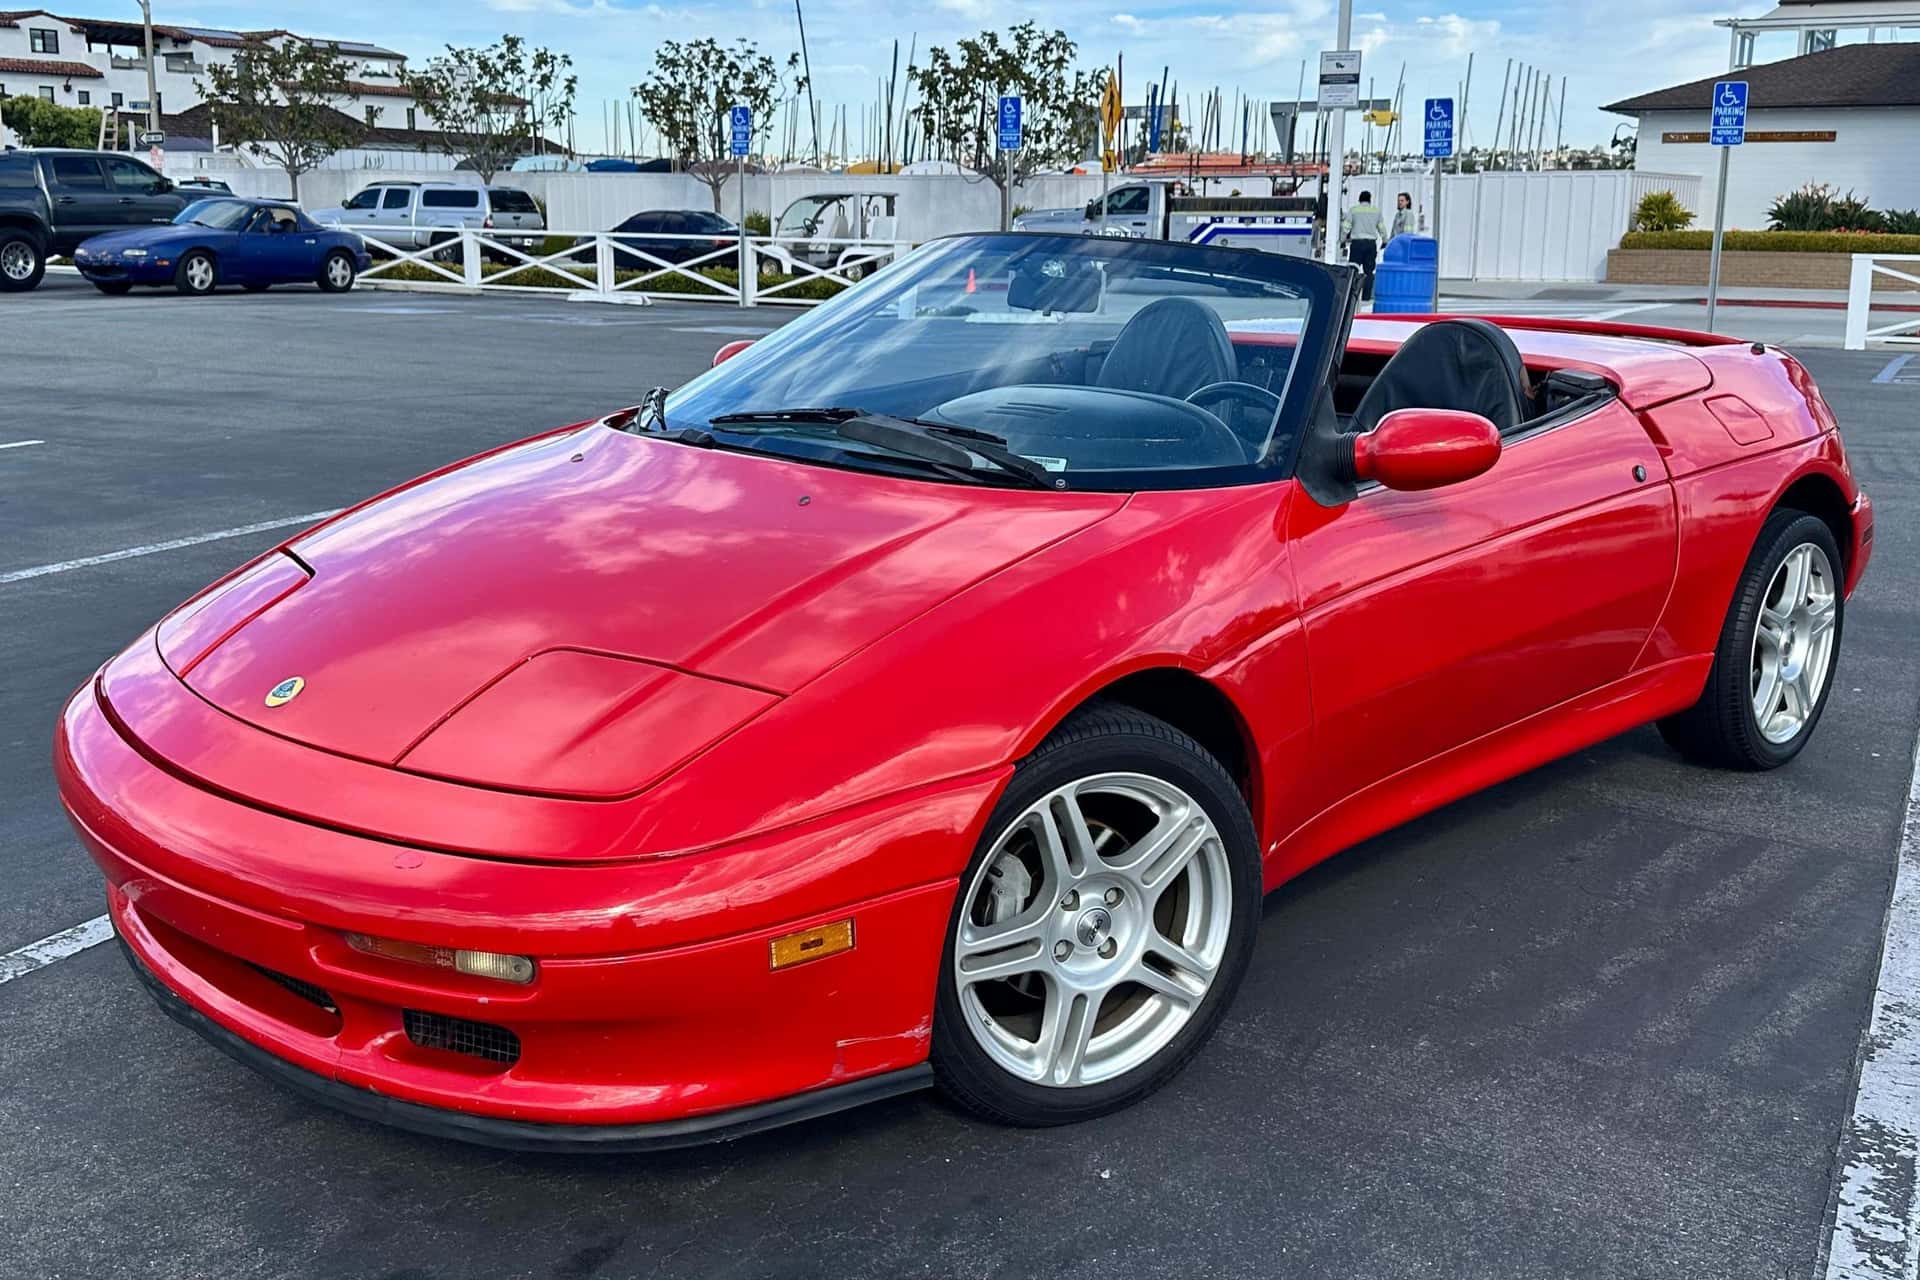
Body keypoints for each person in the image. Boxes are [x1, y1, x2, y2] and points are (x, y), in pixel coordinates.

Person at [1342, 189, 1384, 300]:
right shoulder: (1376, 211)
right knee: (1369, 271)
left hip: (1357, 244)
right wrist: (1385, 240)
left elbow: (1346, 227)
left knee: (1353, 270)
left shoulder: (1354, 210)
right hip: (1371, 244)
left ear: (1359, 199)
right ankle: (1366, 296)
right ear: (1370, 199)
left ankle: (1351, 295)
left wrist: (1342, 240)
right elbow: (1381, 228)